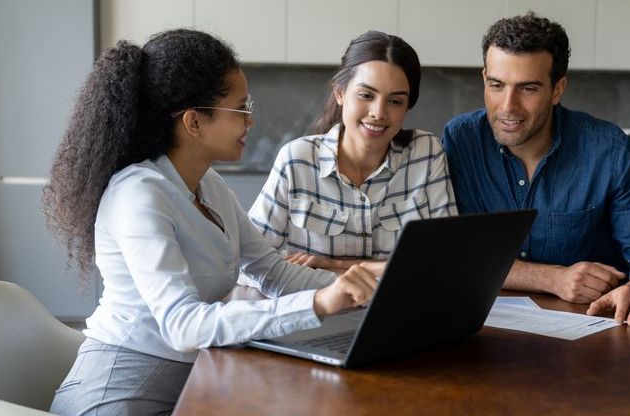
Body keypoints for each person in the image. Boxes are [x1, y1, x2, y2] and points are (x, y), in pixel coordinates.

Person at [43, 29, 379, 415]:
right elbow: (183, 326)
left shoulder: (210, 186)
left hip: (188, 385)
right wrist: (319, 303)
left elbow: (273, 272)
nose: (250, 122)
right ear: (194, 122)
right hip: (117, 395)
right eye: (241, 108)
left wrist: (367, 294)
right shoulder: (139, 194)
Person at [441, 13, 630, 327]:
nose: (507, 107)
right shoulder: (461, 141)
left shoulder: (613, 153)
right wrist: (553, 278)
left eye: (528, 89)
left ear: (558, 89)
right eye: (496, 85)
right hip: (485, 333)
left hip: (595, 333)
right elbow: (459, 253)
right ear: (484, 78)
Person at [245, 31, 457, 276]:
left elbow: (447, 260)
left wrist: (335, 266)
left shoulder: (426, 154)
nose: (379, 112)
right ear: (340, 93)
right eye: (366, 95)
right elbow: (250, 262)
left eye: (395, 101)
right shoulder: (297, 160)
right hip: (316, 311)